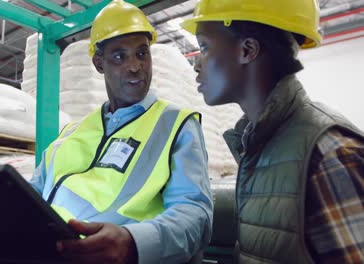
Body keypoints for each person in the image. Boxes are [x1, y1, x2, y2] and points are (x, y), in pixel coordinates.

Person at [30, 0, 213, 263]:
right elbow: (29, 196)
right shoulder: (71, 133)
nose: (135, 66)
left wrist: (134, 242)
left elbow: (195, 215)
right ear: (99, 63)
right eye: (119, 56)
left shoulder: (176, 125)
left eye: (142, 53)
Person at [181, 0, 364, 263]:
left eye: (204, 47)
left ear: (247, 50)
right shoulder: (259, 146)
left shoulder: (329, 154)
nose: (196, 65)